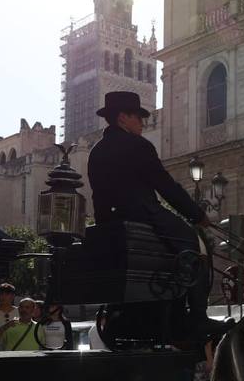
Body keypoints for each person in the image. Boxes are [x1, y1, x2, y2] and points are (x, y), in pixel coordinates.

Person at [87, 91, 213, 344]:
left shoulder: (96, 151)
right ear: (123, 118)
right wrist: (197, 214)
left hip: (108, 223)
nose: (142, 123)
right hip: (143, 214)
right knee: (194, 244)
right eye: (138, 117)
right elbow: (164, 184)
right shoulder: (138, 146)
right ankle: (198, 316)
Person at [0, 282, 19, 348]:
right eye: (1, 293)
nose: (3, 296)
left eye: (7, 294)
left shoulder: (20, 312)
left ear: (13, 296)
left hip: (14, 352)